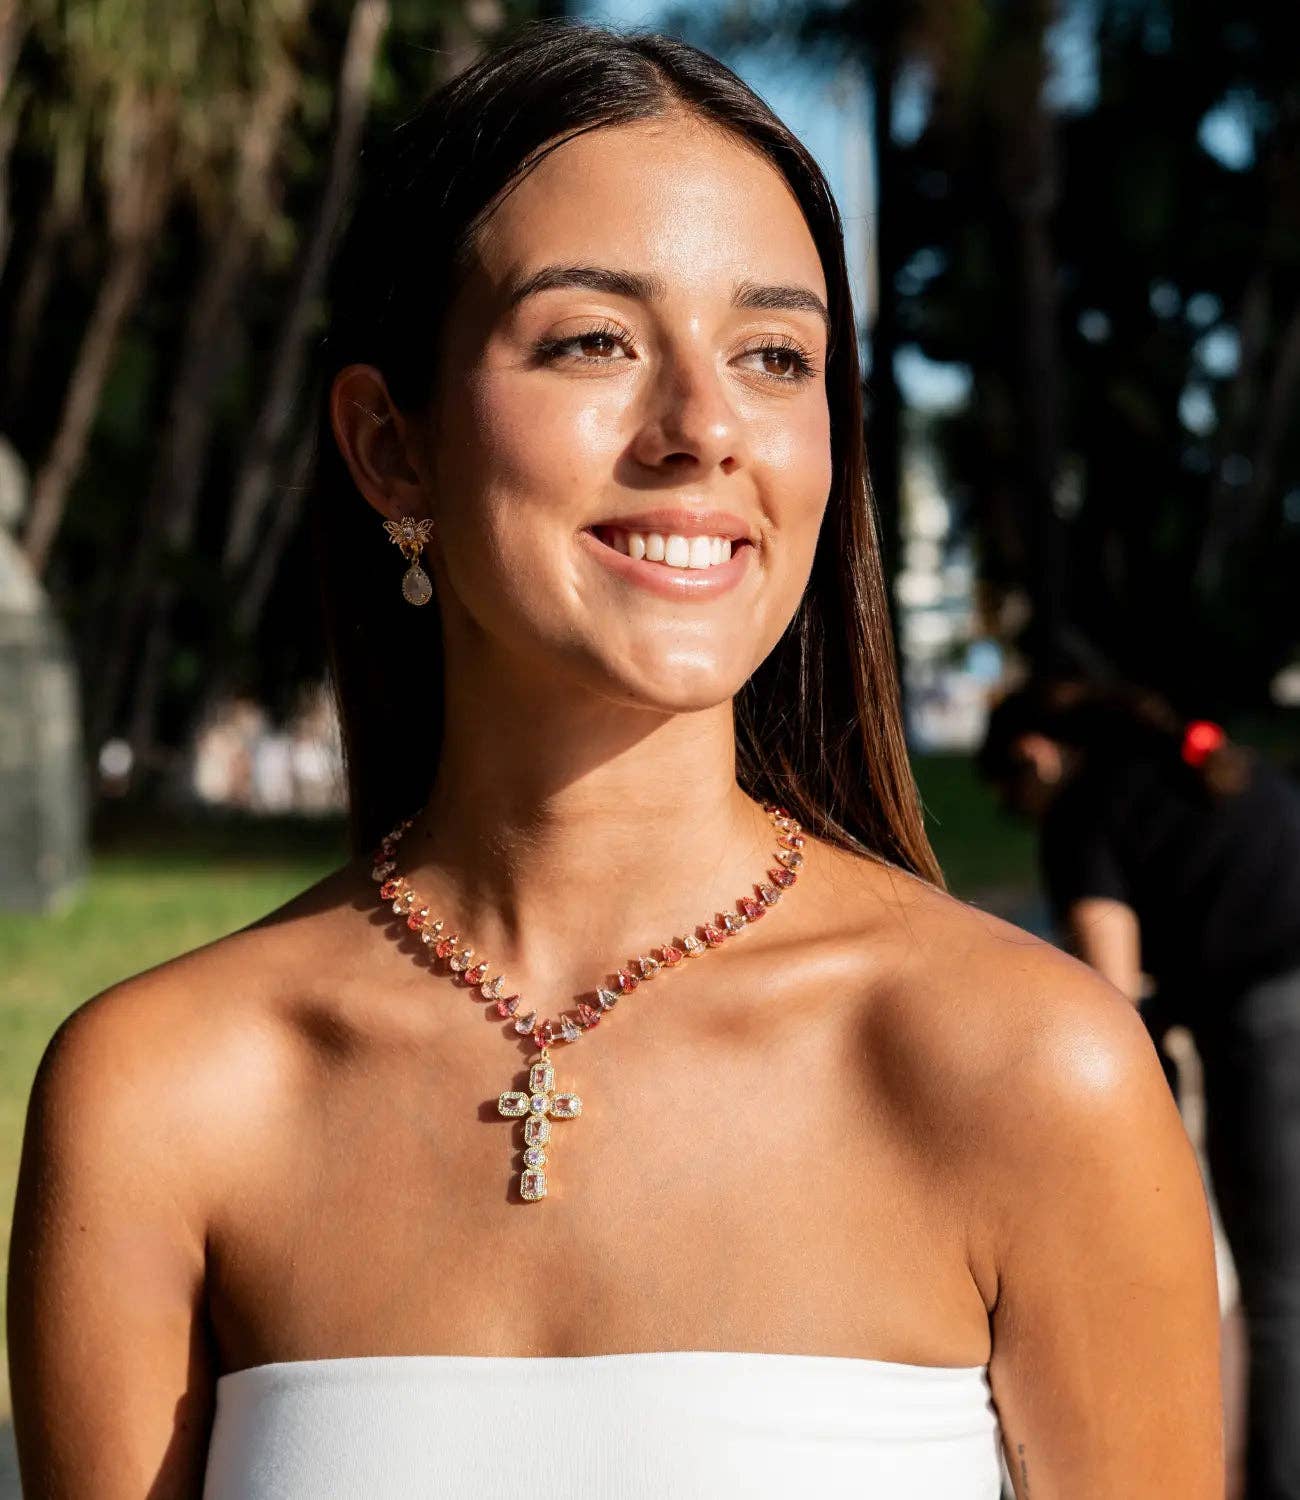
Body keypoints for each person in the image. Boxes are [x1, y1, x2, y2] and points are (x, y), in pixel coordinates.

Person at [8, 22, 1222, 1499]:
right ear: (390, 446)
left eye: (775, 356)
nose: (704, 429)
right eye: (592, 340)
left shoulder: (1028, 1071)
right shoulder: (161, 1097)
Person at [979, 672, 1300, 1499]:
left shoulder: (1085, 808)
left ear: (1034, 755)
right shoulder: (1185, 760)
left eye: (1017, 800)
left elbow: (1110, 996)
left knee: (1278, 1293)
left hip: (1269, 1023)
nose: (1029, 817)